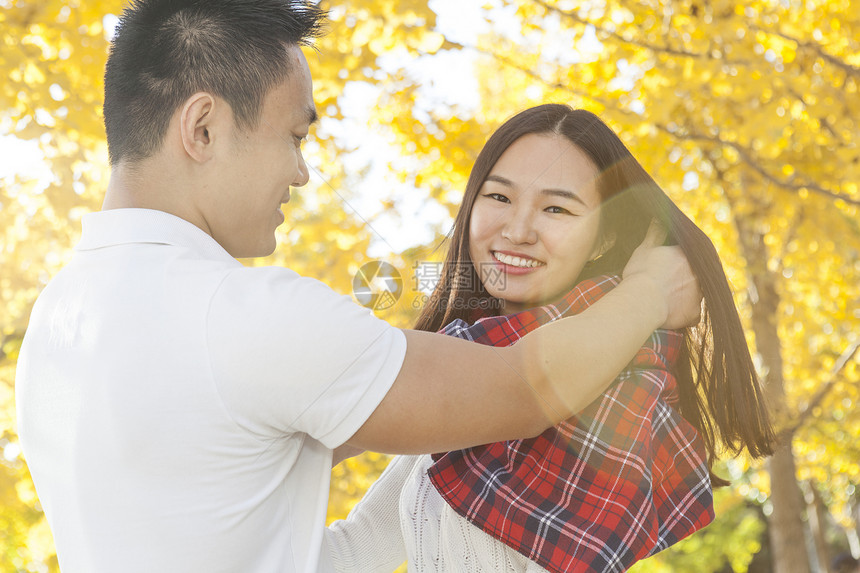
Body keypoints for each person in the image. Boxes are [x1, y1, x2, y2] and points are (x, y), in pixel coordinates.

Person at [13, 1, 702, 571]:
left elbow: (298, 556)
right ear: (202, 127)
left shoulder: (58, 318)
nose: (301, 172)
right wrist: (649, 292)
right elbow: (520, 390)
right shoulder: (245, 317)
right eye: (294, 135)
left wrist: (434, 464)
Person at [325, 105, 776, 572]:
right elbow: (354, 550)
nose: (517, 231)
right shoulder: (468, 374)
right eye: (499, 198)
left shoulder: (618, 390)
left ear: (603, 240)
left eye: (556, 208)